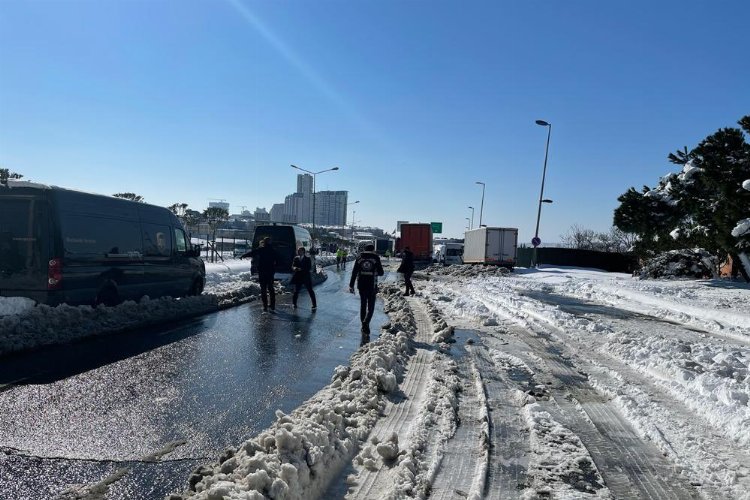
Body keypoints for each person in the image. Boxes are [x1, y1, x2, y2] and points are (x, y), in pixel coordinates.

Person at [349, 244, 384, 335]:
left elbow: (354, 272)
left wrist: (351, 285)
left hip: (361, 285)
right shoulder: (376, 257)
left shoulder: (359, 257)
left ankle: (363, 326)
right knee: (371, 306)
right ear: (373, 250)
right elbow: (381, 272)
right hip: (372, 285)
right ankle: (366, 322)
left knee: (363, 305)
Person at [241, 236, 277, 312]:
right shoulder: (273, 250)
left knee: (263, 289)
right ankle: (272, 305)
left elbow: (252, 253)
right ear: (270, 242)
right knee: (271, 289)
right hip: (270, 272)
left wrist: (243, 255)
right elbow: (280, 259)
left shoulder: (261, 249)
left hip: (262, 271)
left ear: (264, 242)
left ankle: (265, 306)